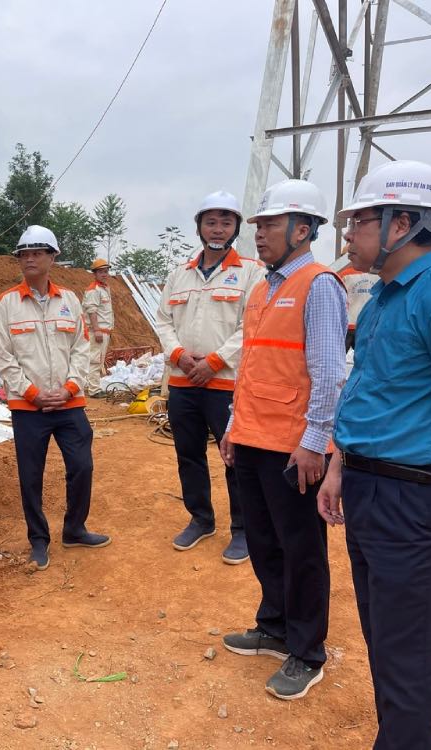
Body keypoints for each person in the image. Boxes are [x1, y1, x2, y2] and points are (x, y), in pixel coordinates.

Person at [318, 160, 431, 749]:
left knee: (410, 654)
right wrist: (340, 465)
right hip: (370, 489)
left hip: (414, 498)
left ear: (403, 223)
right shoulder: (381, 301)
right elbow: (369, 391)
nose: (348, 235)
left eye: (359, 222)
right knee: (385, 638)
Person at [218, 179, 347, 701]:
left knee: (302, 550)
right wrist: (233, 426)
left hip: (293, 447)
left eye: (270, 224)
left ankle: (308, 652)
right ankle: (274, 627)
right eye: (259, 225)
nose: (259, 234)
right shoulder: (262, 288)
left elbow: (329, 373)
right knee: (265, 541)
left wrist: (315, 442)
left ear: (302, 229)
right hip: (252, 438)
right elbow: (251, 366)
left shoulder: (319, 285)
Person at [0, 224, 110, 571]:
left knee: (82, 466)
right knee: (31, 476)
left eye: (37, 253)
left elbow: (81, 348)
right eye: (24, 254)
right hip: (28, 407)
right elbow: (3, 356)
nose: (29, 259)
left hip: (69, 403)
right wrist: (33, 393)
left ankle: (74, 529)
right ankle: (39, 540)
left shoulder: (69, 300)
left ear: (52, 257)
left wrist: (70, 387)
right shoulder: (6, 304)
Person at [155, 191, 263, 564]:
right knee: (188, 455)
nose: (218, 229)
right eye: (211, 222)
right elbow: (163, 321)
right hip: (183, 383)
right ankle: (201, 519)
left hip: (225, 385)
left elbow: (253, 323)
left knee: (235, 458)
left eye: (226, 222)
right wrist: (180, 356)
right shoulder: (179, 275)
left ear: (235, 228)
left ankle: (243, 529)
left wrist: (215, 361)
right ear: (199, 227)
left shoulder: (251, 272)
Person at [81, 258, 115, 397]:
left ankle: (90, 385)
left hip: (104, 331)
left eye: (106, 271)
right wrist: (96, 330)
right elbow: (92, 311)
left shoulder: (104, 288)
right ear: (94, 274)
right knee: (95, 360)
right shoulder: (94, 290)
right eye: (101, 272)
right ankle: (94, 390)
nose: (104, 274)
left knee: (97, 359)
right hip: (97, 331)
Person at [335, 244, 378, 351]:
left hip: (348, 324)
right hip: (368, 324)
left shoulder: (343, 275)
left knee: (340, 355)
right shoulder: (377, 275)